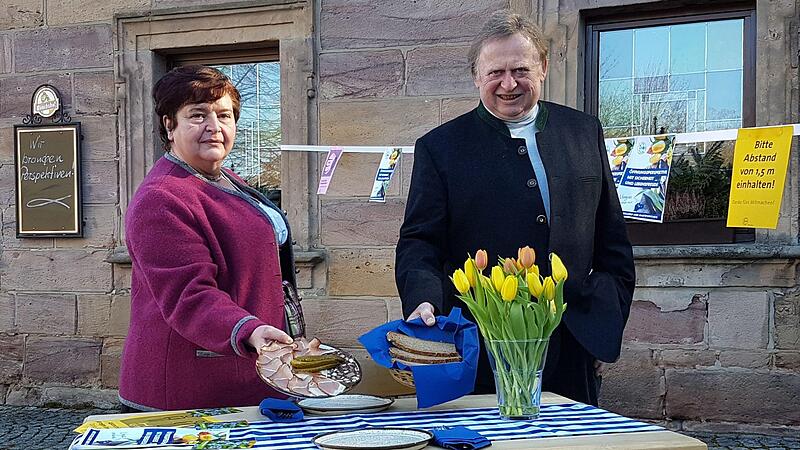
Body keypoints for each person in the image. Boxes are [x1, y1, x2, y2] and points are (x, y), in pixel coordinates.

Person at [395, 11, 635, 406]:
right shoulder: (440, 148)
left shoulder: (583, 131)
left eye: (521, 69)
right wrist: (424, 299)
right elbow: (420, 241)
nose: (509, 84)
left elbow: (613, 241)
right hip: (482, 343)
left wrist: (604, 321)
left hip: (572, 339)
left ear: (542, 68)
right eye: (495, 73)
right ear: (476, 76)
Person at [119, 65, 297, 411]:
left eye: (224, 115)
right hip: (187, 389)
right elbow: (189, 294)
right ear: (169, 125)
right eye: (197, 115)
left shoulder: (224, 178)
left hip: (247, 370)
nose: (214, 128)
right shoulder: (162, 197)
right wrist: (248, 329)